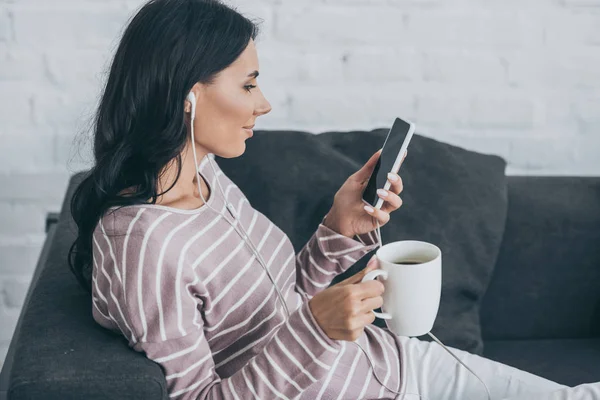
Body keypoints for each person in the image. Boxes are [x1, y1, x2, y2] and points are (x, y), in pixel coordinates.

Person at [68, 0, 600, 399]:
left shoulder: (206, 179)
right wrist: (316, 329)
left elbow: (283, 305)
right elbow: (203, 395)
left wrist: (337, 227)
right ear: (190, 95)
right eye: (249, 85)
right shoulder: (144, 245)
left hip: (393, 366)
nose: (265, 104)